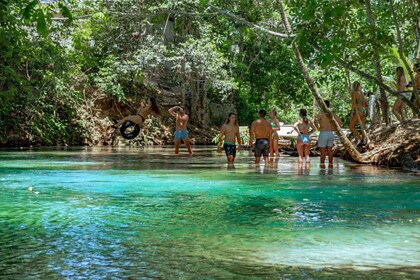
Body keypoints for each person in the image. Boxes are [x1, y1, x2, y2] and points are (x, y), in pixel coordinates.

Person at [315, 100, 343, 166]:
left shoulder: (321, 114)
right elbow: (340, 121)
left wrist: (318, 128)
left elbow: (315, 121)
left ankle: (322, 166)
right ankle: (330, 165)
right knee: (330, 150)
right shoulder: (331, 114)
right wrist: (333, 129)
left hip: (323, 133)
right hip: (330, 133)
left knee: (322, 152)